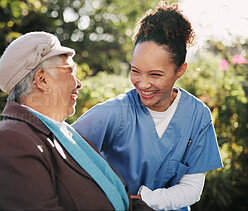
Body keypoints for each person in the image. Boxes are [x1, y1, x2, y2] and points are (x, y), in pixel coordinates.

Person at [0, 32, 152, 210]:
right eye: (70, 71)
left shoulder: (64, 134)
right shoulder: (10, 141)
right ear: (42, 80)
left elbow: (124, 201)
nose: (79, 83)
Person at [72, 2, 223, 210]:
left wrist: (144, 200)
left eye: (155, 74)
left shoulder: (198, 116)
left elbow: (192, 188)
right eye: (135, 71)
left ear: (180, 70)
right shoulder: (115, 112)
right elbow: (65, 147)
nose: (142, 84)